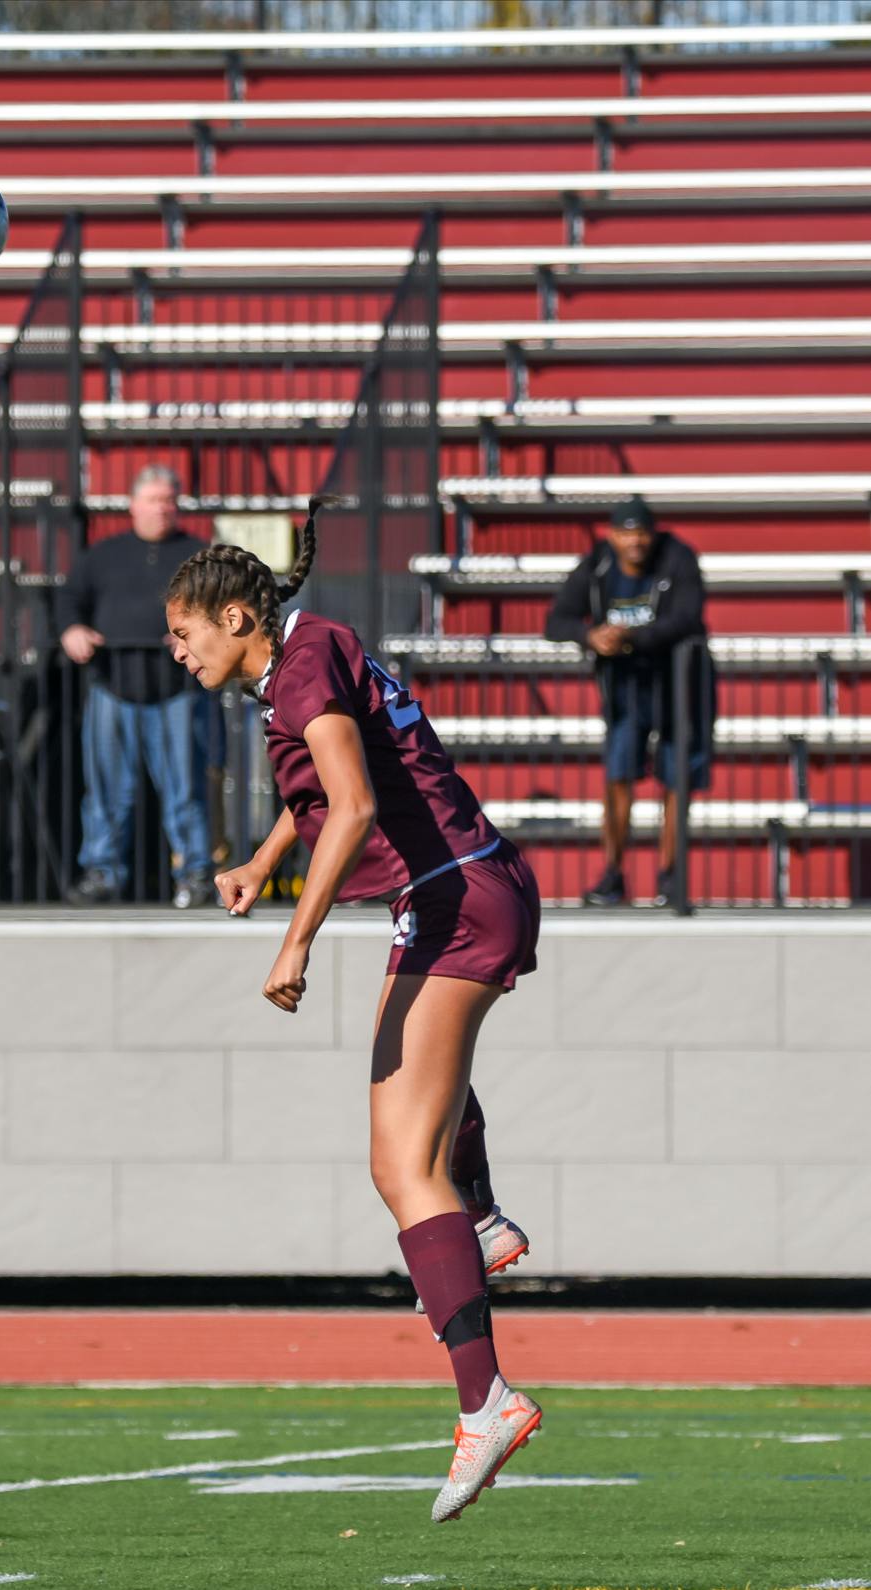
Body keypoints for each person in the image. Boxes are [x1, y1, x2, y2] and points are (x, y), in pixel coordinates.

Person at [165, 498, 542, 1524]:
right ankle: (482, 1220)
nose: (177, 652)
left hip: (455, 896)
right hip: (465, 887)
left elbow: (358, 805)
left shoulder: (298, 671)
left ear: (234, 617)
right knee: (412, 1105)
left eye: (184, 632)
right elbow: (334, 791)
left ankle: (487, 1402)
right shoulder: (313, 649)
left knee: (397, 1165)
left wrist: (295, 938)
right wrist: (264, 859)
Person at [58, 465, 216, 909]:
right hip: (112, 685)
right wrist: (72, 630)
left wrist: (195, 635)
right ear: (133, 505)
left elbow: (219, 606)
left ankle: (195, 873)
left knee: (185, 789)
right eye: (153, 499)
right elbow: (68, 599)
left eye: (169, 500)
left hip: (177, 688)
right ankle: (102, 872)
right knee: (106, 791)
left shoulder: (197, 556)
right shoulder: (102, 555)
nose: (161, 508)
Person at [543, 495, 712, 908]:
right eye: (626, 533)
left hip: (680, 687)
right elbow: (556, 621)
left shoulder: (677, 558)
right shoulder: (597, 564)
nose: (635, 541)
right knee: (619, 777)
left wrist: (629, 637)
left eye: (642, 533)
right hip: (625, 691)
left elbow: (688, 616)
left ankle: (671, 877)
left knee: (677, 780)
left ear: (652, 534)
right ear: (612, 535)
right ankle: (613, 876)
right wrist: (589, 635)